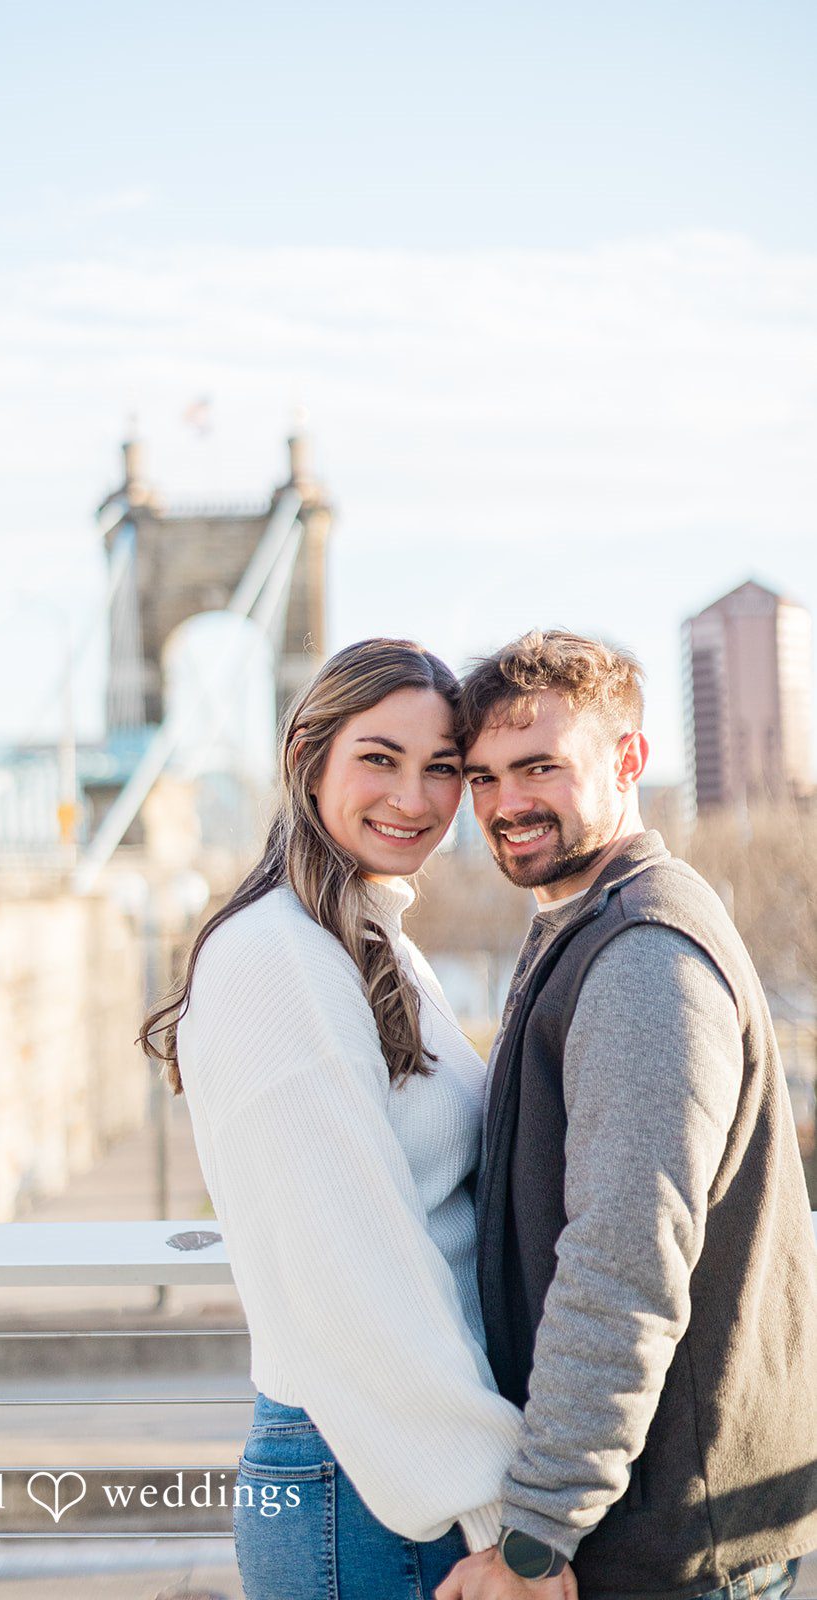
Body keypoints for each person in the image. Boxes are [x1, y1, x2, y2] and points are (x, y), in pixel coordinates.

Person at [140, 638, 526, 1600]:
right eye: (379, 758)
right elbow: (356, 1263)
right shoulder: (278, 956)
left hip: (391, 1467)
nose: (414, 797)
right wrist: (505, 1521)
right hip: (373, 1487)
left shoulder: (367, 939)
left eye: (442, 768)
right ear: (307, 757)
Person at [435, 629, 817, 1600]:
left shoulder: (641, 956)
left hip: (669, 1552)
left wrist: (534, 1535)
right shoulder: (581, 922)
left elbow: (622, 1261)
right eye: (480, 777)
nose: (504, 803)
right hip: (654, 1531)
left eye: (538, 767)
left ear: (629, 759)